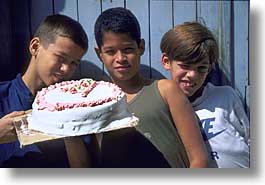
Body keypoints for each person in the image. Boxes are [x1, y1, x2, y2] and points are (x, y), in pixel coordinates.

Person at [94, 7, 208, 168]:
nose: (120, 58)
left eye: (128, 49)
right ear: (99, 54)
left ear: (141, 47)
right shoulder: (95, 105)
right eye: (110, 51)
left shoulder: (166, 90)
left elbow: (199, 159)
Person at [0, 14, 90, 167]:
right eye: (61, 58)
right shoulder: (3, 97)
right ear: (35, 47)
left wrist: (70, 129)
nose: (66, 69)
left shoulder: (78, 106)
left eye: (74, 63)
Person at [160, 21, 250, 168]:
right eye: (185, 66)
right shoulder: (160, 106)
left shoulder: (225, 96)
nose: (192, 75)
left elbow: (249, 138)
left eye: (201, 68)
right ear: (166, 61)